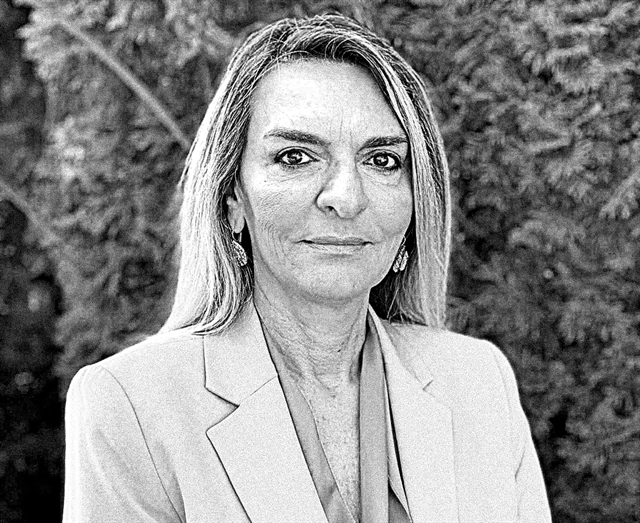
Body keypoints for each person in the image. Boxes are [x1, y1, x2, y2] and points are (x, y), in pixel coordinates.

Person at [62, 13, 552, 523]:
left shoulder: (479, 382)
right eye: (296, 157)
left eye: (382, 160)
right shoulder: (131, 404)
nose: (346, 197)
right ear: (232, 197)